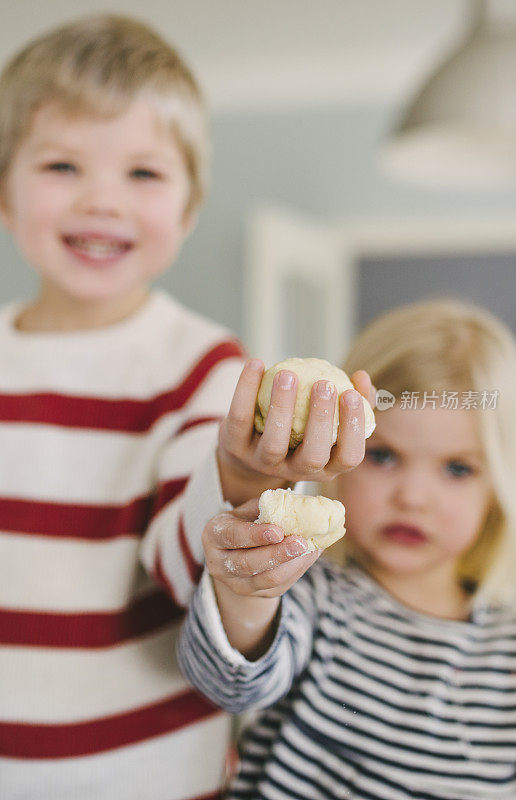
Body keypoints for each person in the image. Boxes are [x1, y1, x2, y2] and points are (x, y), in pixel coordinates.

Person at [0, 14, 370, 800]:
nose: (102, 200)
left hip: (144, 778)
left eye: (143, 174)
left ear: (190, 206)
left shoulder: (206, 369)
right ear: (5, 186)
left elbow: (180, 566)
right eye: (62, 164)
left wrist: (238, 474)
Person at [179, 298, 516, 799]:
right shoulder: (314, 590)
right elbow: (229, 684)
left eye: (457, 469)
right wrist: (250, 590)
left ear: (500, 487)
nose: (412, 497)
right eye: (384, 456)